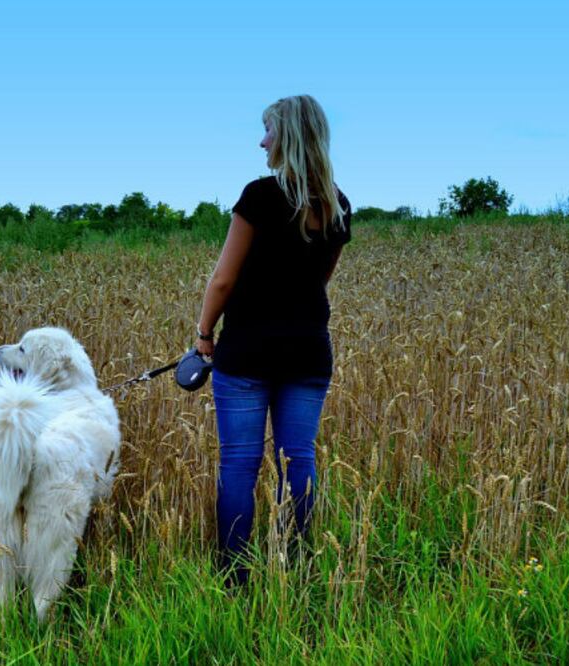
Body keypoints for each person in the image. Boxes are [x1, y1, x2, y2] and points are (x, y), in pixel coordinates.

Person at [195, 94, 351, 584]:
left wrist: (203, 335)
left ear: (287, 136)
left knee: (240, 465)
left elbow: (223, 279)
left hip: (246, 352)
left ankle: (234, 578)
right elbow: (319, 281)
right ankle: (298, 567)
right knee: (298, 460)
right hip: (307, 352)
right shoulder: (337, 205)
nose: (261, 141)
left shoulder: (259, 196)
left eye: (268, 131)